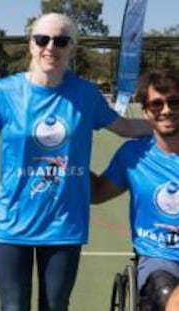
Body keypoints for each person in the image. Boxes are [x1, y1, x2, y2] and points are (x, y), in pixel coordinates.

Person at [0, 12, 152, 311]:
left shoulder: (85, 94)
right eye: (42, 39)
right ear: (30, 45)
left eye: (60, 40)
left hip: (65, 223)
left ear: (71, 48)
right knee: (13, 307)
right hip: (12, 222)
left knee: (56, 306)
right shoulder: (3, 93)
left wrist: (167, 124)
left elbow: (125, 127)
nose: (50, 47)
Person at [91, 70, 179, 311]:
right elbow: (97, 193)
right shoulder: (133, 156)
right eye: (157, 104)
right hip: (160, 258)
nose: (167, 110)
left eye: (174, 102)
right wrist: (69, 157)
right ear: (146, 112)